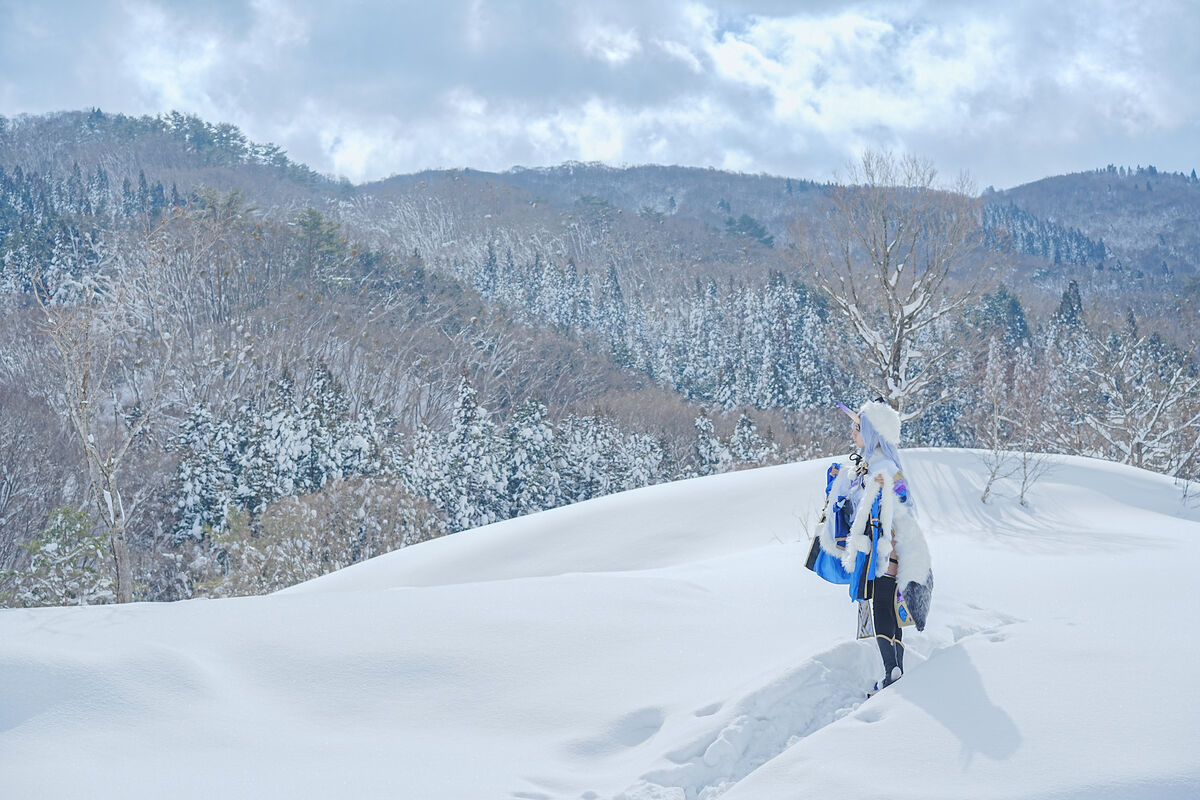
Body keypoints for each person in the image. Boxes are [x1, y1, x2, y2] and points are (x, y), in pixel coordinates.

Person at [805, 399, 933, 693]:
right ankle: (895, 669)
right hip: (889, 548)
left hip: (887, 549)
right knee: (888, 608)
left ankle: (891, 672)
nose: (853, 432)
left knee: (882, 610)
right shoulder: (878, 465)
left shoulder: (882, 467)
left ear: (872, 432)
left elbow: (899, 508)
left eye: (858, 427)